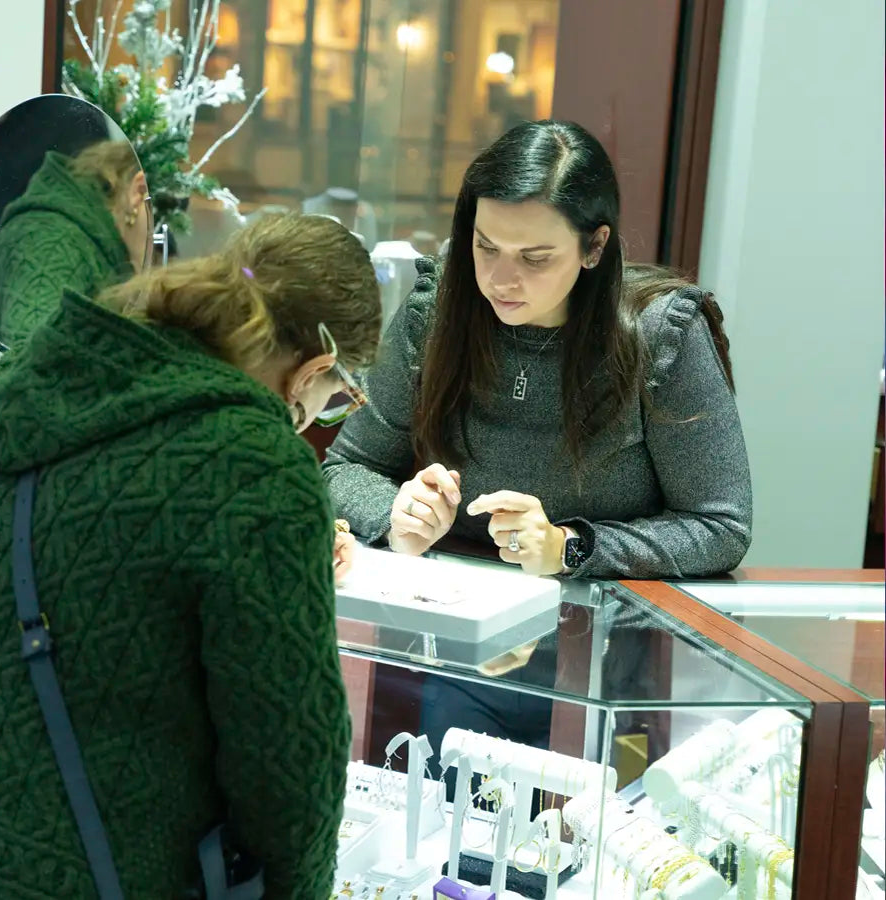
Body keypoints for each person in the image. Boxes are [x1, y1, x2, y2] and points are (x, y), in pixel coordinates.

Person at [322, 119, 752, 782]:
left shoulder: (661, 335)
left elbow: (722, 526)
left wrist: (571, 546)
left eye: (534, 257)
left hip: (608, 665)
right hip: (457, 652)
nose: (500, 277)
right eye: (486, 246)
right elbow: (344, 469)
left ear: (593, 247)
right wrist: (398, 512)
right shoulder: (436, 314)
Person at [0, 212, 379, 898]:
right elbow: (289, 766)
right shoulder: (255, 466)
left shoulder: (25, 390)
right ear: (314, 370)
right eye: (336, 400)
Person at [0, 139, 151, 348]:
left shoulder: (91, 242)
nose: (157, 255)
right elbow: (37, 361)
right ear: (138, 192)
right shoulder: (53, 244)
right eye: (159, 227)